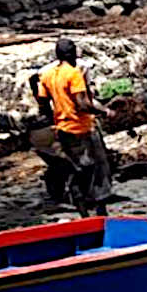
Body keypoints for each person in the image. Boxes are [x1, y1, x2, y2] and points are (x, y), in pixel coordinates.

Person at [31, 39, 112, 216]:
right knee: (94, 167)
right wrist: (104, 111)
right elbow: (82, 104)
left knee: (80, 167)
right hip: (81, 128)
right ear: (73, 53)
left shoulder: (48, 75)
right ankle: (96, 206)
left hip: (63, 129)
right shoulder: (74, 74)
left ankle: (83, 210)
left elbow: (43, 104)